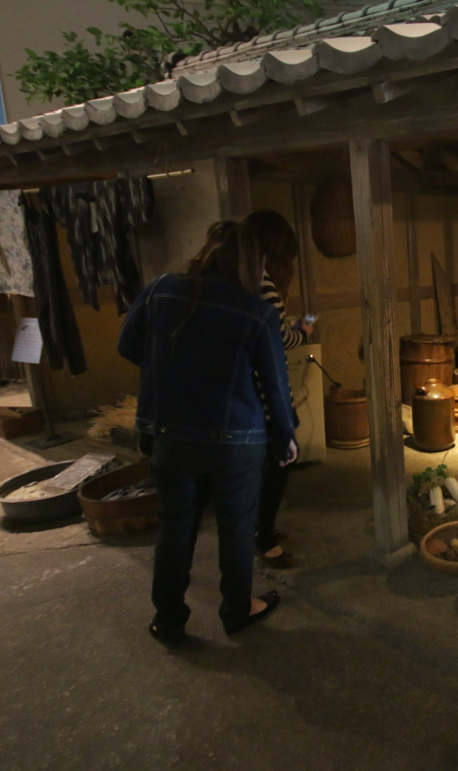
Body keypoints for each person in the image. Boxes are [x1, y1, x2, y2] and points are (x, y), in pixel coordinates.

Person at [118, 220, 298, 647]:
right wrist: (285, 436)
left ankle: (169, 621)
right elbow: (273, 383)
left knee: (175, 526)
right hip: (237, 438)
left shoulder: (162, 289)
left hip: (170, 434)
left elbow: (128, 346)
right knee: (235, 527)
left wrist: (173, 367)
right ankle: (236, 611)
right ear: (253, 263)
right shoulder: (256, 310)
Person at [243, 210, 308, 569]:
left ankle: (259, 528)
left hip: (245, 394)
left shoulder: (239, 277)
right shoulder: (264, 282)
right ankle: (265, 540)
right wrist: (304, 331)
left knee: (260, 466)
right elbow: (280, 339)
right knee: (281, 461)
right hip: (266, 394)